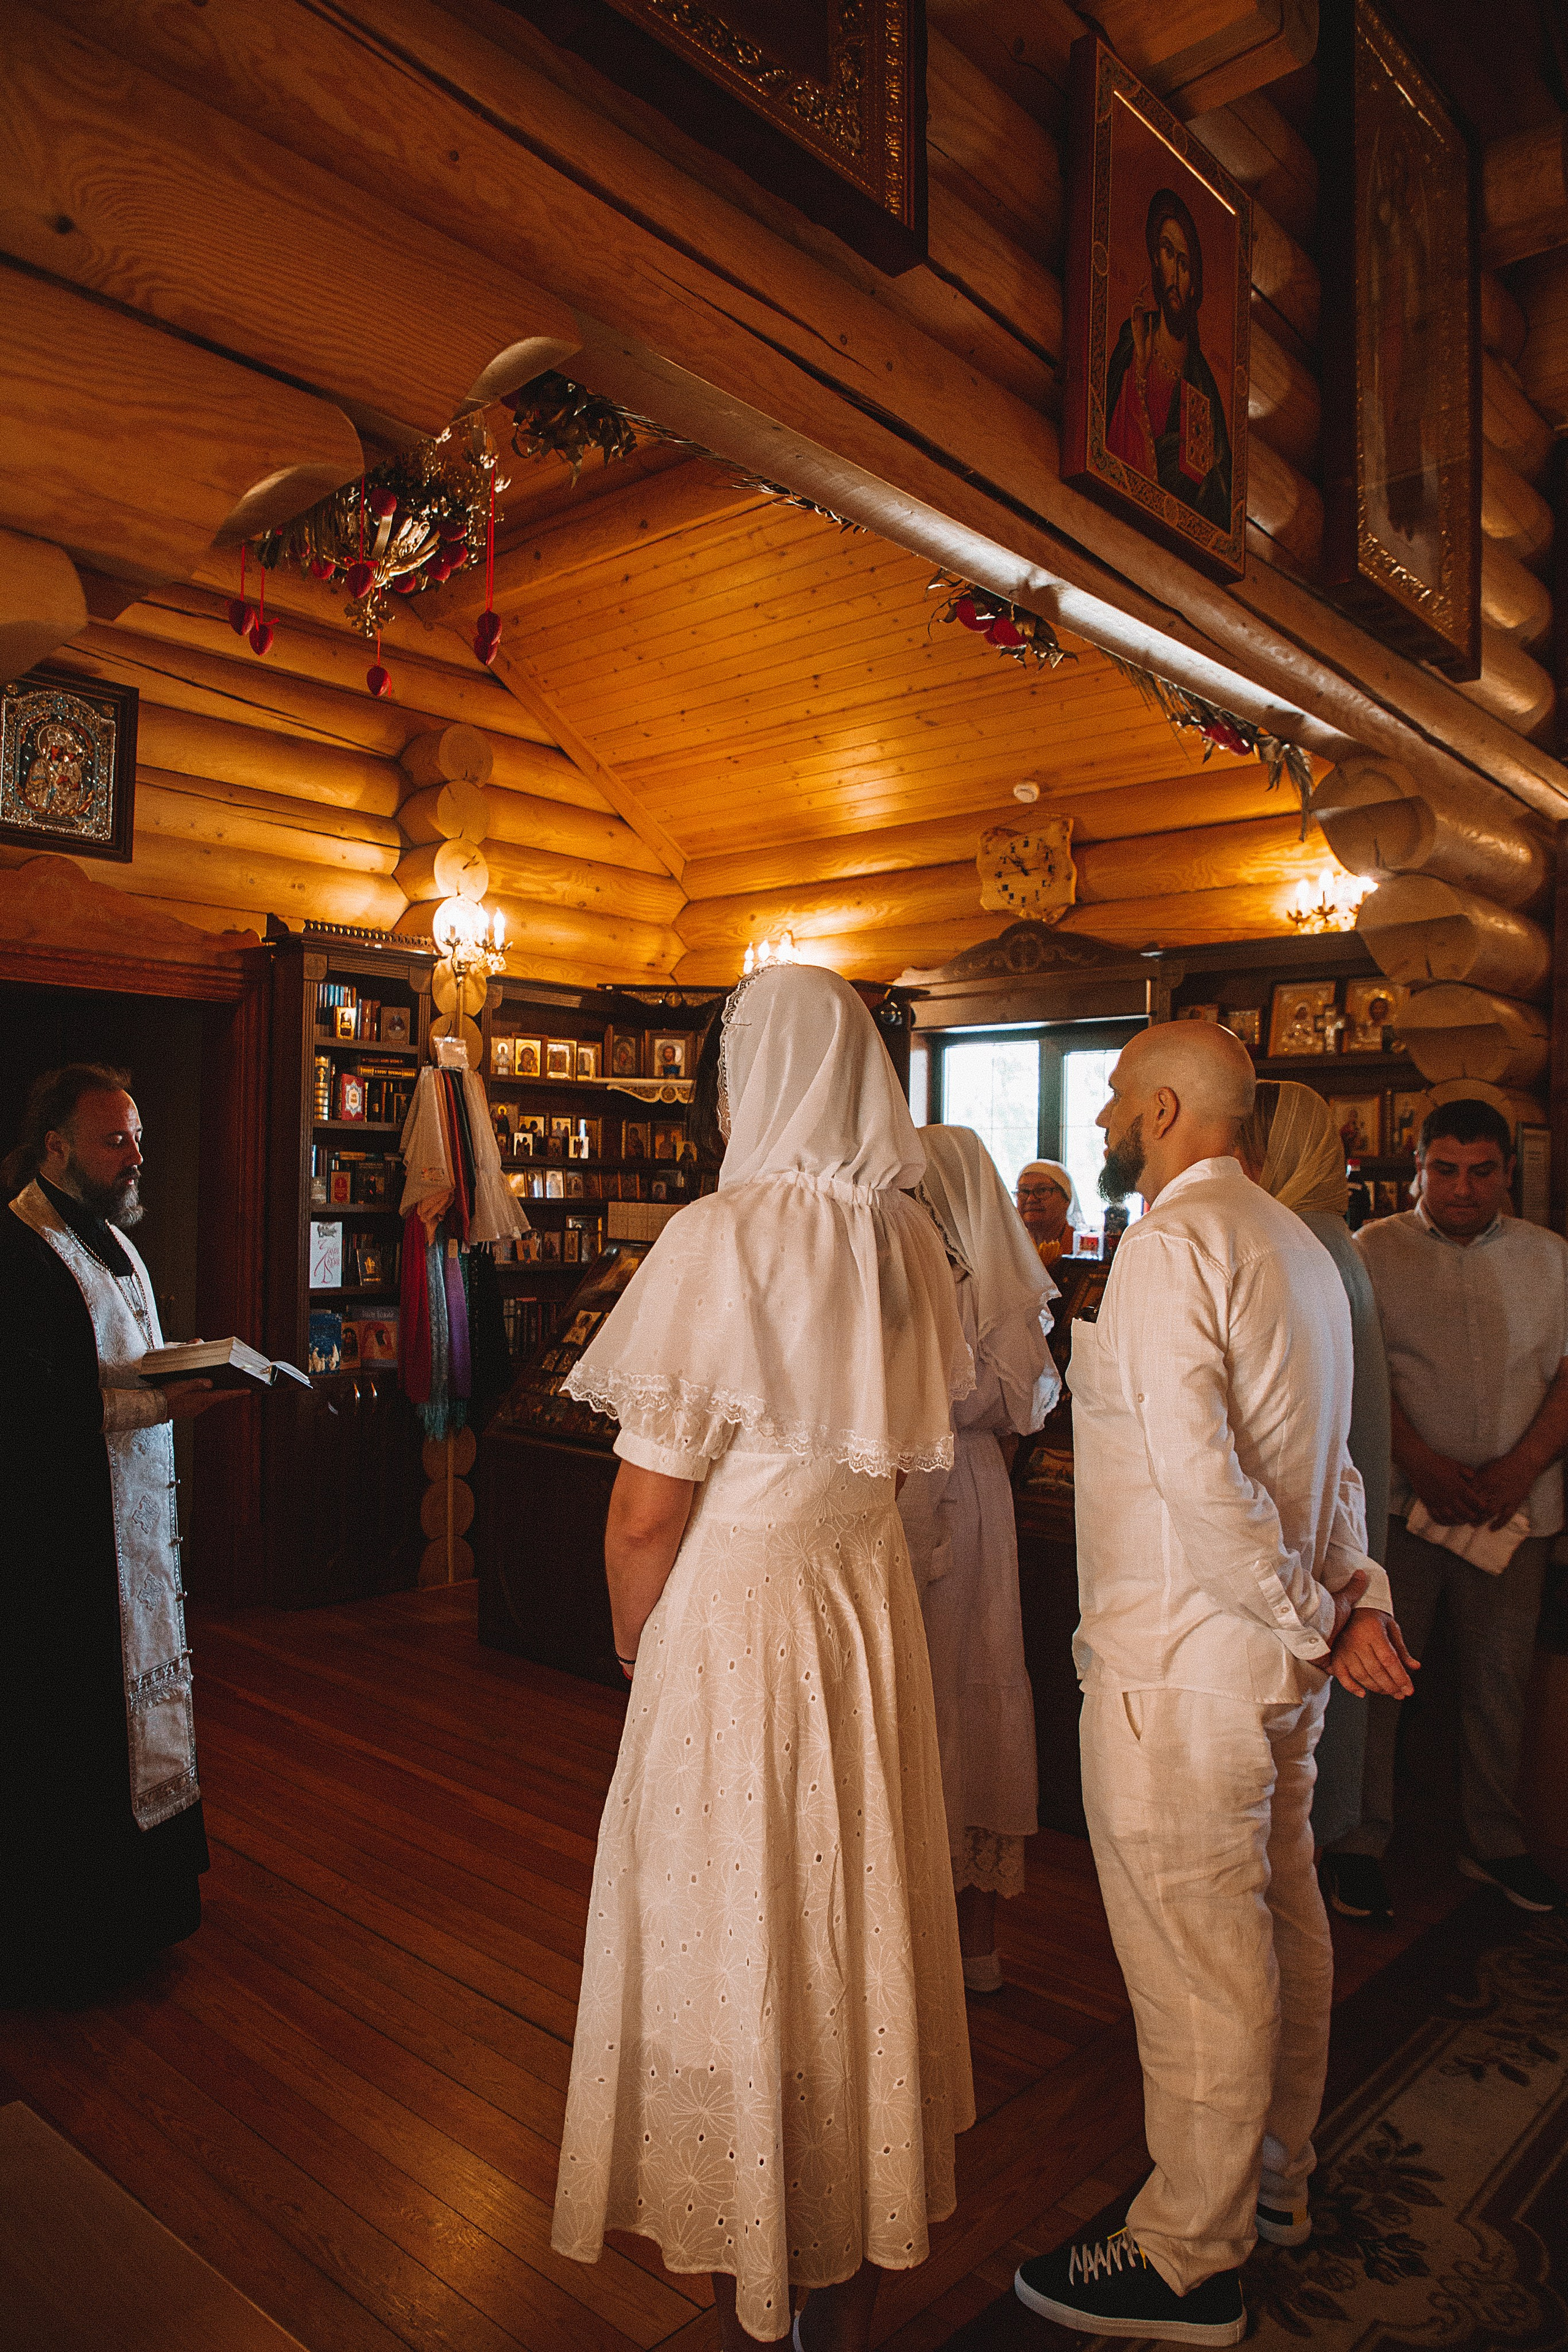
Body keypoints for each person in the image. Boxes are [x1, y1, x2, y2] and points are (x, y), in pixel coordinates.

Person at [550, 965, 976, 2351]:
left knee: (729, 1916)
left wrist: (636, 1637)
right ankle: (840, 2253)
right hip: (859, 1617)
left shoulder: (721, 1238)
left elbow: (642, 1508)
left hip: (736, 1618)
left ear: (760, 1079)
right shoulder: (914, 1245)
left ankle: (749, 2242)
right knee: (847, 1916)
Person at [1014, 1022, 1415, 2347]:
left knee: (1198, 1961)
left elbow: (1201, 1481)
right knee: (1277, 1920)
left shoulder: (1176, 1244)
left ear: (1170, 1107)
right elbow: (1335, 1468)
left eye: (1118, 1099)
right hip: (1268, 1670)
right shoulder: (1297, 1242)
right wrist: (1343, 1598)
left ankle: (1187, 2253)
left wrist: (1317, 1610)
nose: (1104, 1122)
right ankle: (1274, 2178)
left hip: (1180, 1668)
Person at [0, 1066, 239, 2002]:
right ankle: (69, 1932)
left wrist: (186, 1377)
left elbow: (124, 1356)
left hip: (136, 1520)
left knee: (143, 1702)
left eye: (137, 1136)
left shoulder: (116, 1244)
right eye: (115, 1141)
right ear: (55, 1145)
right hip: (57, 1538)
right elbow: (24, 1400)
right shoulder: (19, 1247)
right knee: (71, 1722)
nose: (136, 1156)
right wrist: (152, 1402)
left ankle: (144, 1911)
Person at [1333, 1099, 1568, 1918]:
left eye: (1481, 1171)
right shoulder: (1371, 1254)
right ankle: (1360, 1840)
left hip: (1515, 1510)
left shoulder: (1552, 1258)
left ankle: (1494, 1843)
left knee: (1498, 1683)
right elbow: (1363, 1378)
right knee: (1381, 1674)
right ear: (1418, 1166)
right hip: (1404, 1506)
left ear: (1509, 1171)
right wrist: (1424, 1464)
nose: (1463, 1188)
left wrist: (1521, 1468)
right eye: (1445, 1169)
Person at [900, 1126, 1058, 1992]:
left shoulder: (966, 1287)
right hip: (946, 1482)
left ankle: (971, 1941)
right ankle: (944, 1936)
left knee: (965, 1686)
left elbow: (1004, 1401)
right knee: (933, 1690)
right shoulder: (953, 1279)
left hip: (951, 1483)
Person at [1237, 1083, 1392, 1882]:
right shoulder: (1335, 1236)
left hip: (1317, 1503)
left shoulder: (1296, 1240)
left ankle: (1312, 1854)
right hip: (1343, 1492)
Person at [1104, 189, 1233, 532]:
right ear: (1155, 260)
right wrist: (1139, 372)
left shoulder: (1202, 382)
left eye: (1185, 263)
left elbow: (1217, 501)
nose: (1175, 274)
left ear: (1195, 285)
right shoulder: (1132, 339)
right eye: (1167, 252)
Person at [1014, 1158, 1087, 1268]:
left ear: (1067, 1199)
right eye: (1024, 1191)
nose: (1030, 1199)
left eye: (1042, 1190)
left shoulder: (1083, 1248)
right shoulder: (1008, 1245)